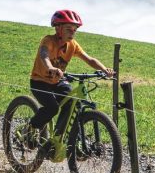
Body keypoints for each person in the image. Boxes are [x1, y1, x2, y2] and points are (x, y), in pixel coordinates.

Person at [27, 9, 113, 160]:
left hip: (57, 82)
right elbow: (44, 55)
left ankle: (59, 139)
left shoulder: (72, 45)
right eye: (68, 29)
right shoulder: (48, 40)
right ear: (58, 28)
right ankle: (31, 128)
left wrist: (104, 69)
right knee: (52, 108)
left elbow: (90, 59)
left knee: (73, 102)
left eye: (75, 30)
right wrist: (51, 68)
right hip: (39, 82)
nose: (72, 33)